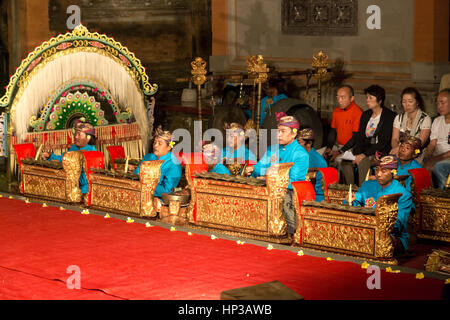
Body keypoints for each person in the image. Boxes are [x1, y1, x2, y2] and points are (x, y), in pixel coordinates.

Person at [245, 112, 309, 236]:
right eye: (278, 131)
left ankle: (286, 231)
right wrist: (253, 168)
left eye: (283, 131)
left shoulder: (300, 154)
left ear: (294, 133)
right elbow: (261, 166)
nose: (278, 135)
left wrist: (268, 179)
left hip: (287, 193)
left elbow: (294, 181)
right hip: (267, 187)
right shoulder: (272, 149)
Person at [345, 155, 413, 255]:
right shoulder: (367, 185)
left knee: (379, 244)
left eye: (384, 171)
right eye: (377, 170)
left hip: (390, 235)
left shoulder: (403, 195)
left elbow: (398, 224)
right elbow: (355, 202)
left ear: (393, 172)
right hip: (364, 229)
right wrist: (351, 200)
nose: (378, 174)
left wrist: (374, 217)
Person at [340, 85, 397, 186]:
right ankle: (351, 189)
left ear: (379, 101)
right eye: (367, 97)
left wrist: (364, 155)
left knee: (364, 162)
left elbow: (384, 141)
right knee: (345, 163)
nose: (367, 100)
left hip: (379, 152)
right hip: (364, 150)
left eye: (370, 98)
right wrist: (352, 152)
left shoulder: (389, 116)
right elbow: (359, 136)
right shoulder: (366, 115)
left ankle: (364, 190)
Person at [42, 118, 97, 195]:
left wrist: (65, 170)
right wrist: (50, 156)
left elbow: (87, 177)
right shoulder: (74, 147)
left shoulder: (91, 153)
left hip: (84, 189)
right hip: (69, 184)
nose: (76, 137)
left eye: (79, 134)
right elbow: (63, 158)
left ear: (88, 138)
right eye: (75, 134)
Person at [134, 126, 182, 199]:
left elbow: (167, 191)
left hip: (158, 199)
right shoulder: (148, 157)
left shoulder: (174, 164)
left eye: (159, 143)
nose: (155, 146)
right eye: (155, 142)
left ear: (169, 147)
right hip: (139, 193)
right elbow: (136, 174)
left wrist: (147, 183)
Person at [324, 85, 363, 163]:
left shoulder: (358, 112)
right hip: (337, 145)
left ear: (351, 98)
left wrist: (339, 152)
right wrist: (329, 147)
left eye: (342, 97)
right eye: (337, 97)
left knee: (338, 161)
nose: (339, 100)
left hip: (350, 148)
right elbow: (333, 131)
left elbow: (355, 138)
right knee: (319, 156)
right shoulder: (336, 111)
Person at [390, 87, 431, 159]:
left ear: (417, 102)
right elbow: (395, 139)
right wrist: (397, 149)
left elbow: (420, 143)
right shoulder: (399, 118)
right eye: (404, 102)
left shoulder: (425, 119)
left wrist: (401, 150)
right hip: (399, 151)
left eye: (410, 101)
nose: (407, 104)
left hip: (416, 153)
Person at [423, 88, 450, 189]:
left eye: (442, 103)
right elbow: (432, 144)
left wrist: (434, 159)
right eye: (437, 103)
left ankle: (443, 196)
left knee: (438, 167)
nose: (439, 106)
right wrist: (428, 156)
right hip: (437, 156)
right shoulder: (437, 121)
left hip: (446, 158)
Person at [297, 127, 328, 202]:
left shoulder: (319, 162)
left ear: (309, 144)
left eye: (299, 142)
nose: (296, 145)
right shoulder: (296, 156)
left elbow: (320, 192)